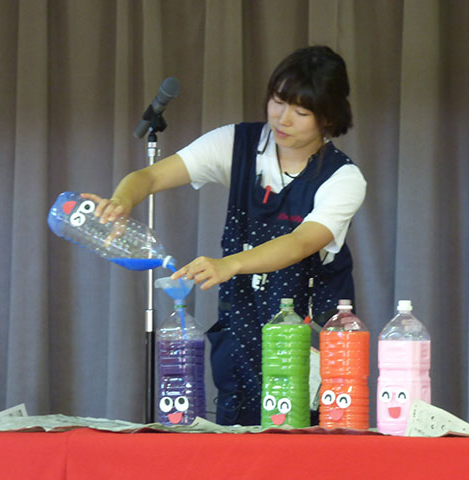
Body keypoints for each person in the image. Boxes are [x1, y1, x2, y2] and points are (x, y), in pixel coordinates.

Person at [84, 45, 366, 426]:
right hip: (242, 327)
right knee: (235, 433)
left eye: (300, 112)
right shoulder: (238, 144)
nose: (282, 118)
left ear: (328, 117)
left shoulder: (343, 177)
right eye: (278, 101)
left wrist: (228, 265)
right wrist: (121, 201)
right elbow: (148, 177)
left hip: (306, 336)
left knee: (304, 437)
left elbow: (301, 242)